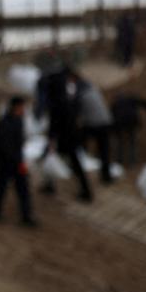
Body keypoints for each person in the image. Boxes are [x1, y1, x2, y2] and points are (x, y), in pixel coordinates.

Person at [43, 66, 93, 202]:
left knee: (69, 162)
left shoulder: (57, 102)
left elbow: (55, 124)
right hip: (71, 136)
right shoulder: (66, 99)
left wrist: (51, 139)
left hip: (65, 138)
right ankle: (50, 185)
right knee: (59, 160)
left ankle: (86, 191)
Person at [0, 97, 36, 227]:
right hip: (10, 161)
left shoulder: (8, 120)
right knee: (18, 189)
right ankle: (24, 216)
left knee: (4, 187)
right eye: (22, 107)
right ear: (17, 107)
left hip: (7, 161)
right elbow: (7, 145)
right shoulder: (11, 122)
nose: (24, 110)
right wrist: (19, 162)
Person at [79, 82, 113, 184]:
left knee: (82, 142)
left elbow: (81, 113)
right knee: (104, 151)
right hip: (106, 123)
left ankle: (82, 160)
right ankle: (106, 176)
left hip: (95, 124)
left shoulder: (82, 95)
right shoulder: (95, 91)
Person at [110, 94, 146, 166]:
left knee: (120, 142)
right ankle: (132, 162)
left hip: (120, 123)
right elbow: (144, 103)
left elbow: (110, 116)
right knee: (132, 142)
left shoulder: (115, 104)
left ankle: (119, 162)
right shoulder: (130, 99)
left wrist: (113, 130)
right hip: (131, 121)